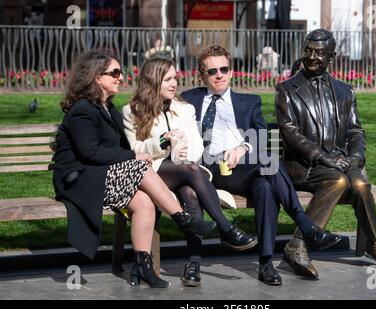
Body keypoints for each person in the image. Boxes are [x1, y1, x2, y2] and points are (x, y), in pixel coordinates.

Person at [52, 50, 216, 289]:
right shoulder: (83, 110)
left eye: (120, 72)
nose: (120, 77)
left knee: (144, 202)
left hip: (101, 175)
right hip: (79, 179)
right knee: (140, 165)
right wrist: (133, 156)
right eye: (114, 73)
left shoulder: (107, 108)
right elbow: (90, 152)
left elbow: (118, 147)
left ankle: (142, 266)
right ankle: (182, 218)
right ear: (97, 77)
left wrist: (152, 147)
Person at [181, 45, 342, 286]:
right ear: (202, 75)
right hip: (206, 169)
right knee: (269, 165)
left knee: (265, 186)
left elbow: (261, 135)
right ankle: (305, 224)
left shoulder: (248, 101)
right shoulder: (189, 100)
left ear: (232, 72)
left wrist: (242, 148)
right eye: (212, 71)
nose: (219, 75)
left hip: (242, 167)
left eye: (224, 69)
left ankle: (266, 263)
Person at [122, 56, 258, 287]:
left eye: (175, 78)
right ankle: (226, 228)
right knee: (191, 173)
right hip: (151, 172)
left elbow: (196, 145)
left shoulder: (184, 109)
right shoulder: (131, 110)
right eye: (167, 79)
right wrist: (162, 141)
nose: (174, 84)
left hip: (183, 171)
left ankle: (193, 264)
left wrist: (184, 153)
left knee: (191, 192)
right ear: (153, 81)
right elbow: (135, 149)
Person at [275, 29, 376, 272]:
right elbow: (290, 134)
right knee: (339, 181)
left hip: (339, 162)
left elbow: (355, 131)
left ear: (332, 57)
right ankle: (298, 244)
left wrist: (356, 157)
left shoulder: (345, 91)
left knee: (361, 185)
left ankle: (373, 243)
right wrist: (323, 157)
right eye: (308, 50)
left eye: (320, 53)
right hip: (304, 165)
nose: (312, 56)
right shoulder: (286, 90)